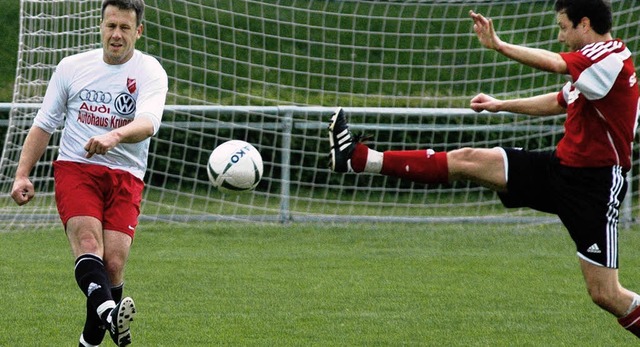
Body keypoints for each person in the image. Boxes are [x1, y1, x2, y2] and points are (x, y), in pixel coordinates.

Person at [328, 0, 640, 338]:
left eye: (564, 27)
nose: (561, 36)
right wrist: (500, 105)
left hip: (594, 188)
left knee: (605, 295)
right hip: (557, 168)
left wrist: (500, 45)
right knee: (468, 159)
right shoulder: (596, 64)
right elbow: (558, 101)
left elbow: (554, 64)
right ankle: (358, 158)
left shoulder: (609, 59)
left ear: (584, 24)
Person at [10, 0, 168, 345]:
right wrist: (23, 173)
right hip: (76, 167)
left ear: (138, 32)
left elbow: (148, 123)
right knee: (88, 244)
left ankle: (93, 336)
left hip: (126, 173)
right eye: (110, 26)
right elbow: (44, 124)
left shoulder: (150, 71)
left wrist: (115, 135)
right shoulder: (72, 67)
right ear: (100, 26)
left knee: (112, 263)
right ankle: (111, 315)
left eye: (124, 28)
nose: (116, 34)